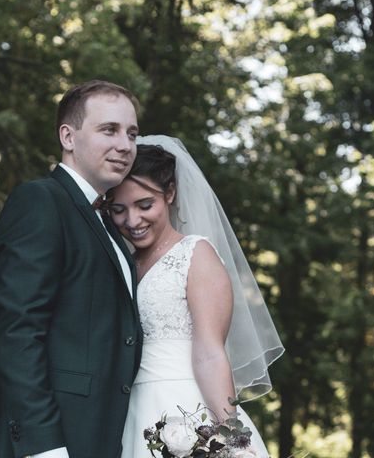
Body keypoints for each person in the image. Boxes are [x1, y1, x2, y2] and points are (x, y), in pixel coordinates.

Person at [0, 80, 143, 458]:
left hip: (99, 437)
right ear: (68, 137)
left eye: (132, 133)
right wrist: (44, 448)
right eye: (109, 130)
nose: (125, 145)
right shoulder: (40, 201)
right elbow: (18, 333)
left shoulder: (107, 223)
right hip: (50, 442)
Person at [108, 136, 284, 457]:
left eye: (145, 205)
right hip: (125, 413)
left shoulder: (195, 254)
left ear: (170, 193)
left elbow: (210, 353)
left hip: (185, 412)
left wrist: (232, 438)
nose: (132, 221)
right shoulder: (121, 263)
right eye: (119, 209)